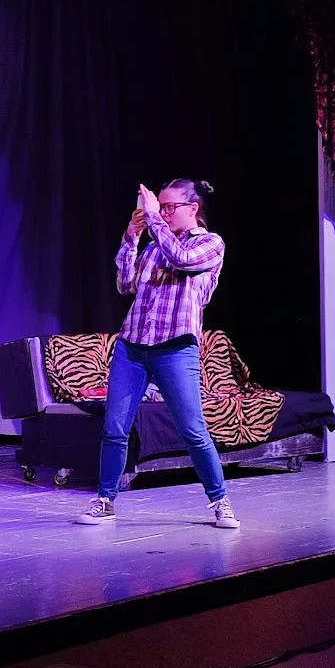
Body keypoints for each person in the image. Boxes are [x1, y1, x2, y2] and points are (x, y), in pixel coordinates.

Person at [76, 179, 240, 529]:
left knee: (192, 430)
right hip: (133, 347)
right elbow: (125, 285)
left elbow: (182, 259)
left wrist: (153, 219)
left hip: (175, 348)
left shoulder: (210, 244)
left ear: (192, 208)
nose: (162, 213)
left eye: (169, 207)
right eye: (159, 207)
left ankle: (220, 501)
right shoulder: (153, 247)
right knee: (114, 428)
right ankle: (105, 500)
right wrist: (132, 237)